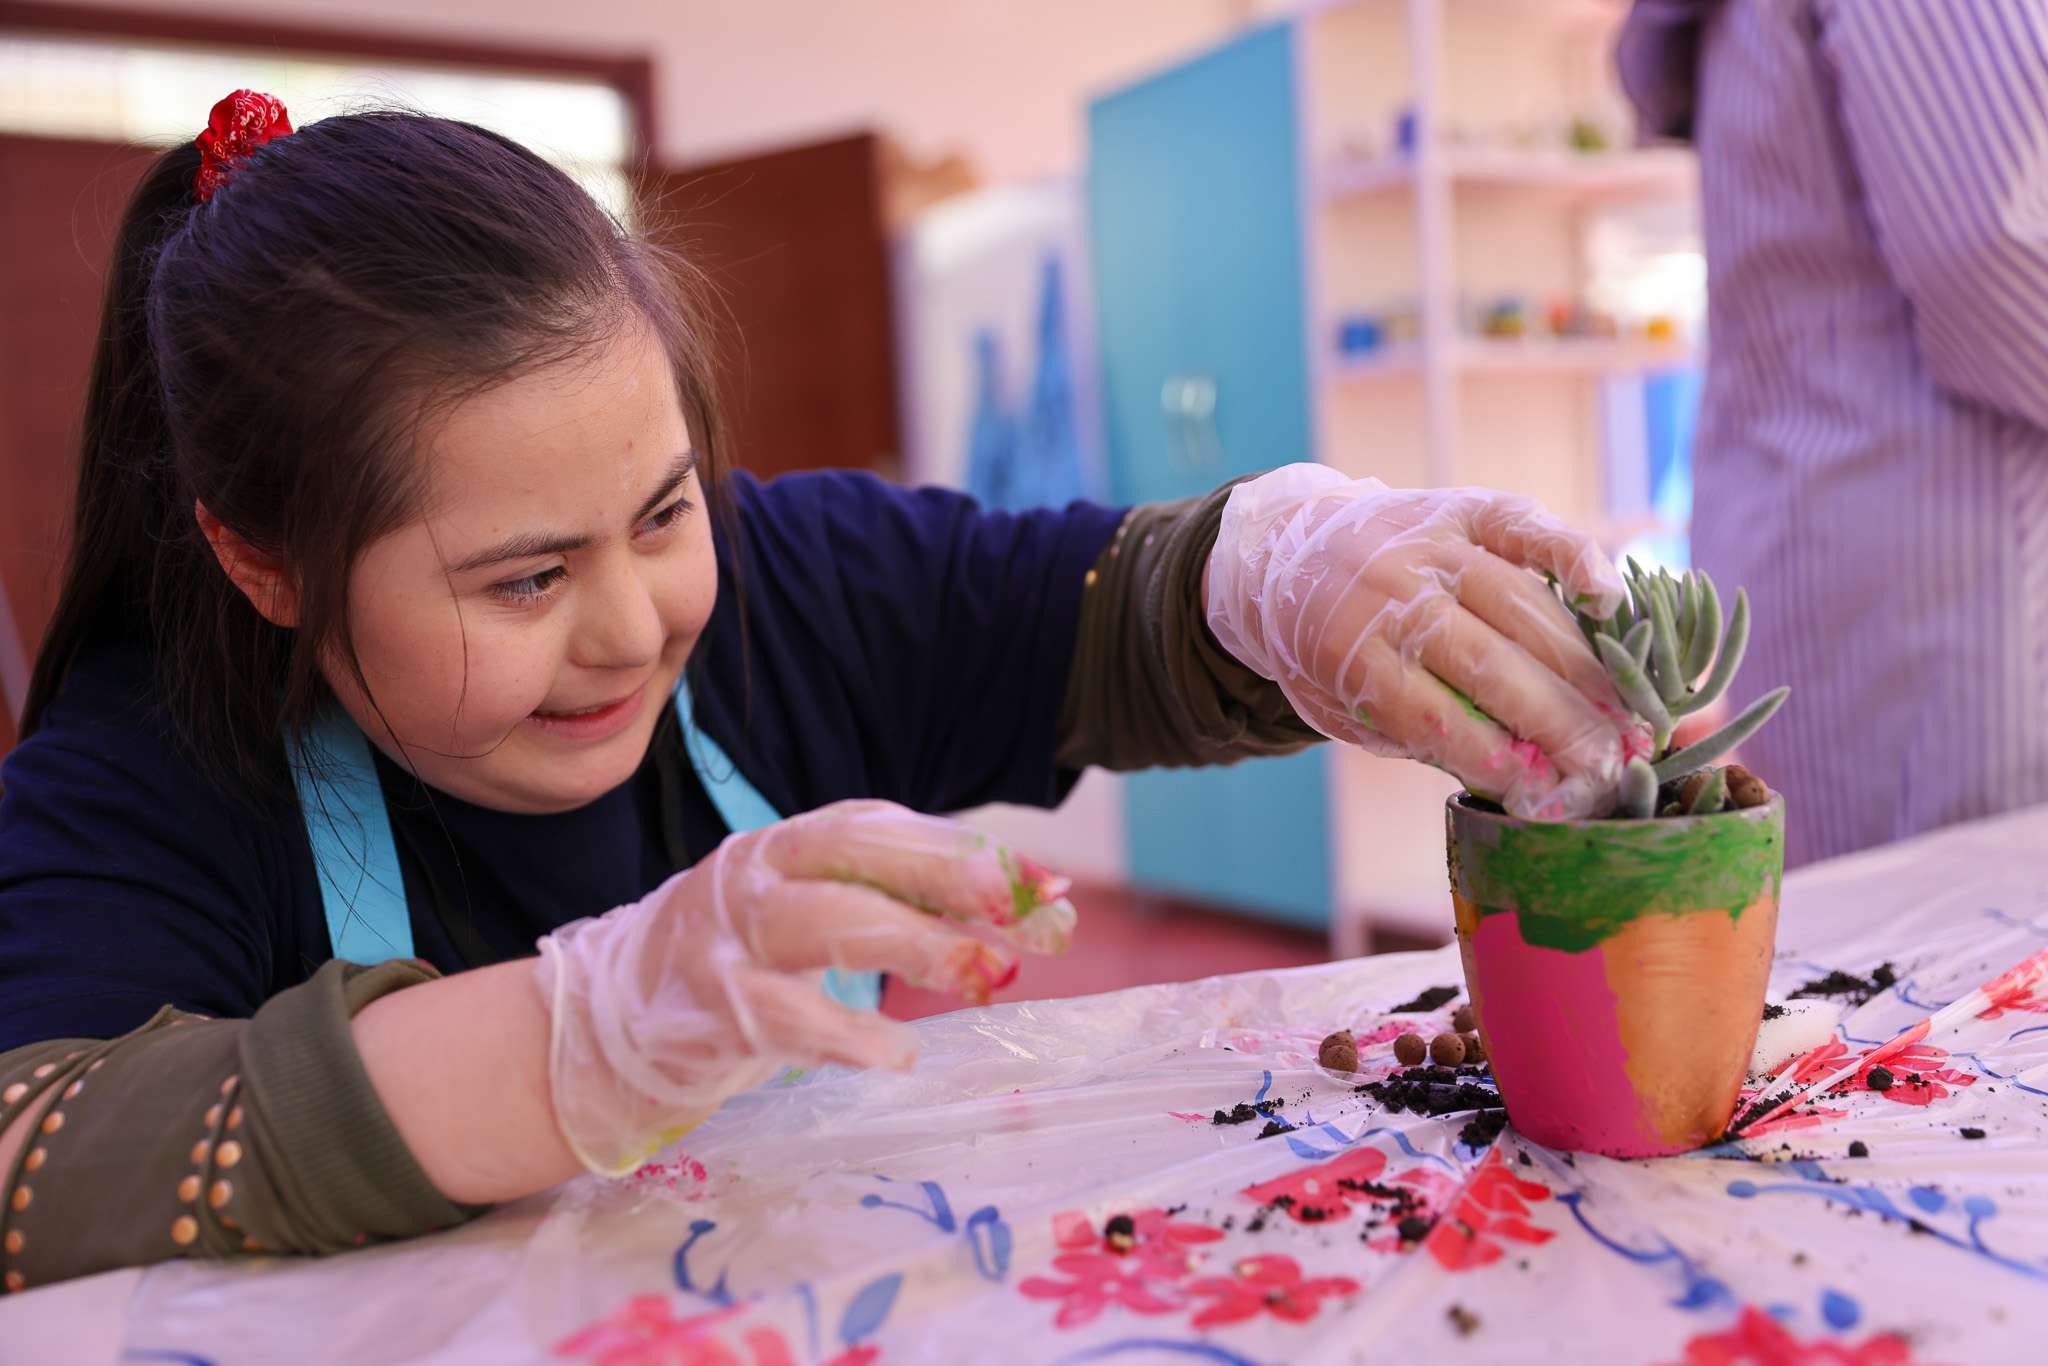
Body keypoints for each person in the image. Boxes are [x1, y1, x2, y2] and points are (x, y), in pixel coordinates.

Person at [0, 94, 1639, 1291]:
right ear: (266, 560)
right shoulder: (144, 774)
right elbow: (32, 1150)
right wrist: (575, 1040)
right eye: (523, 577)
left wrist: (1279, 568)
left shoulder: (785, 584)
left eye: (661, 513)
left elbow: (1096, 617)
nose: (636, 628)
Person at [1620, 0, 2048, 866]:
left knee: (1880, 965)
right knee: (1962, 965)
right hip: (1956, 570)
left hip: (1832, 541)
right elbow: (1996, 249)